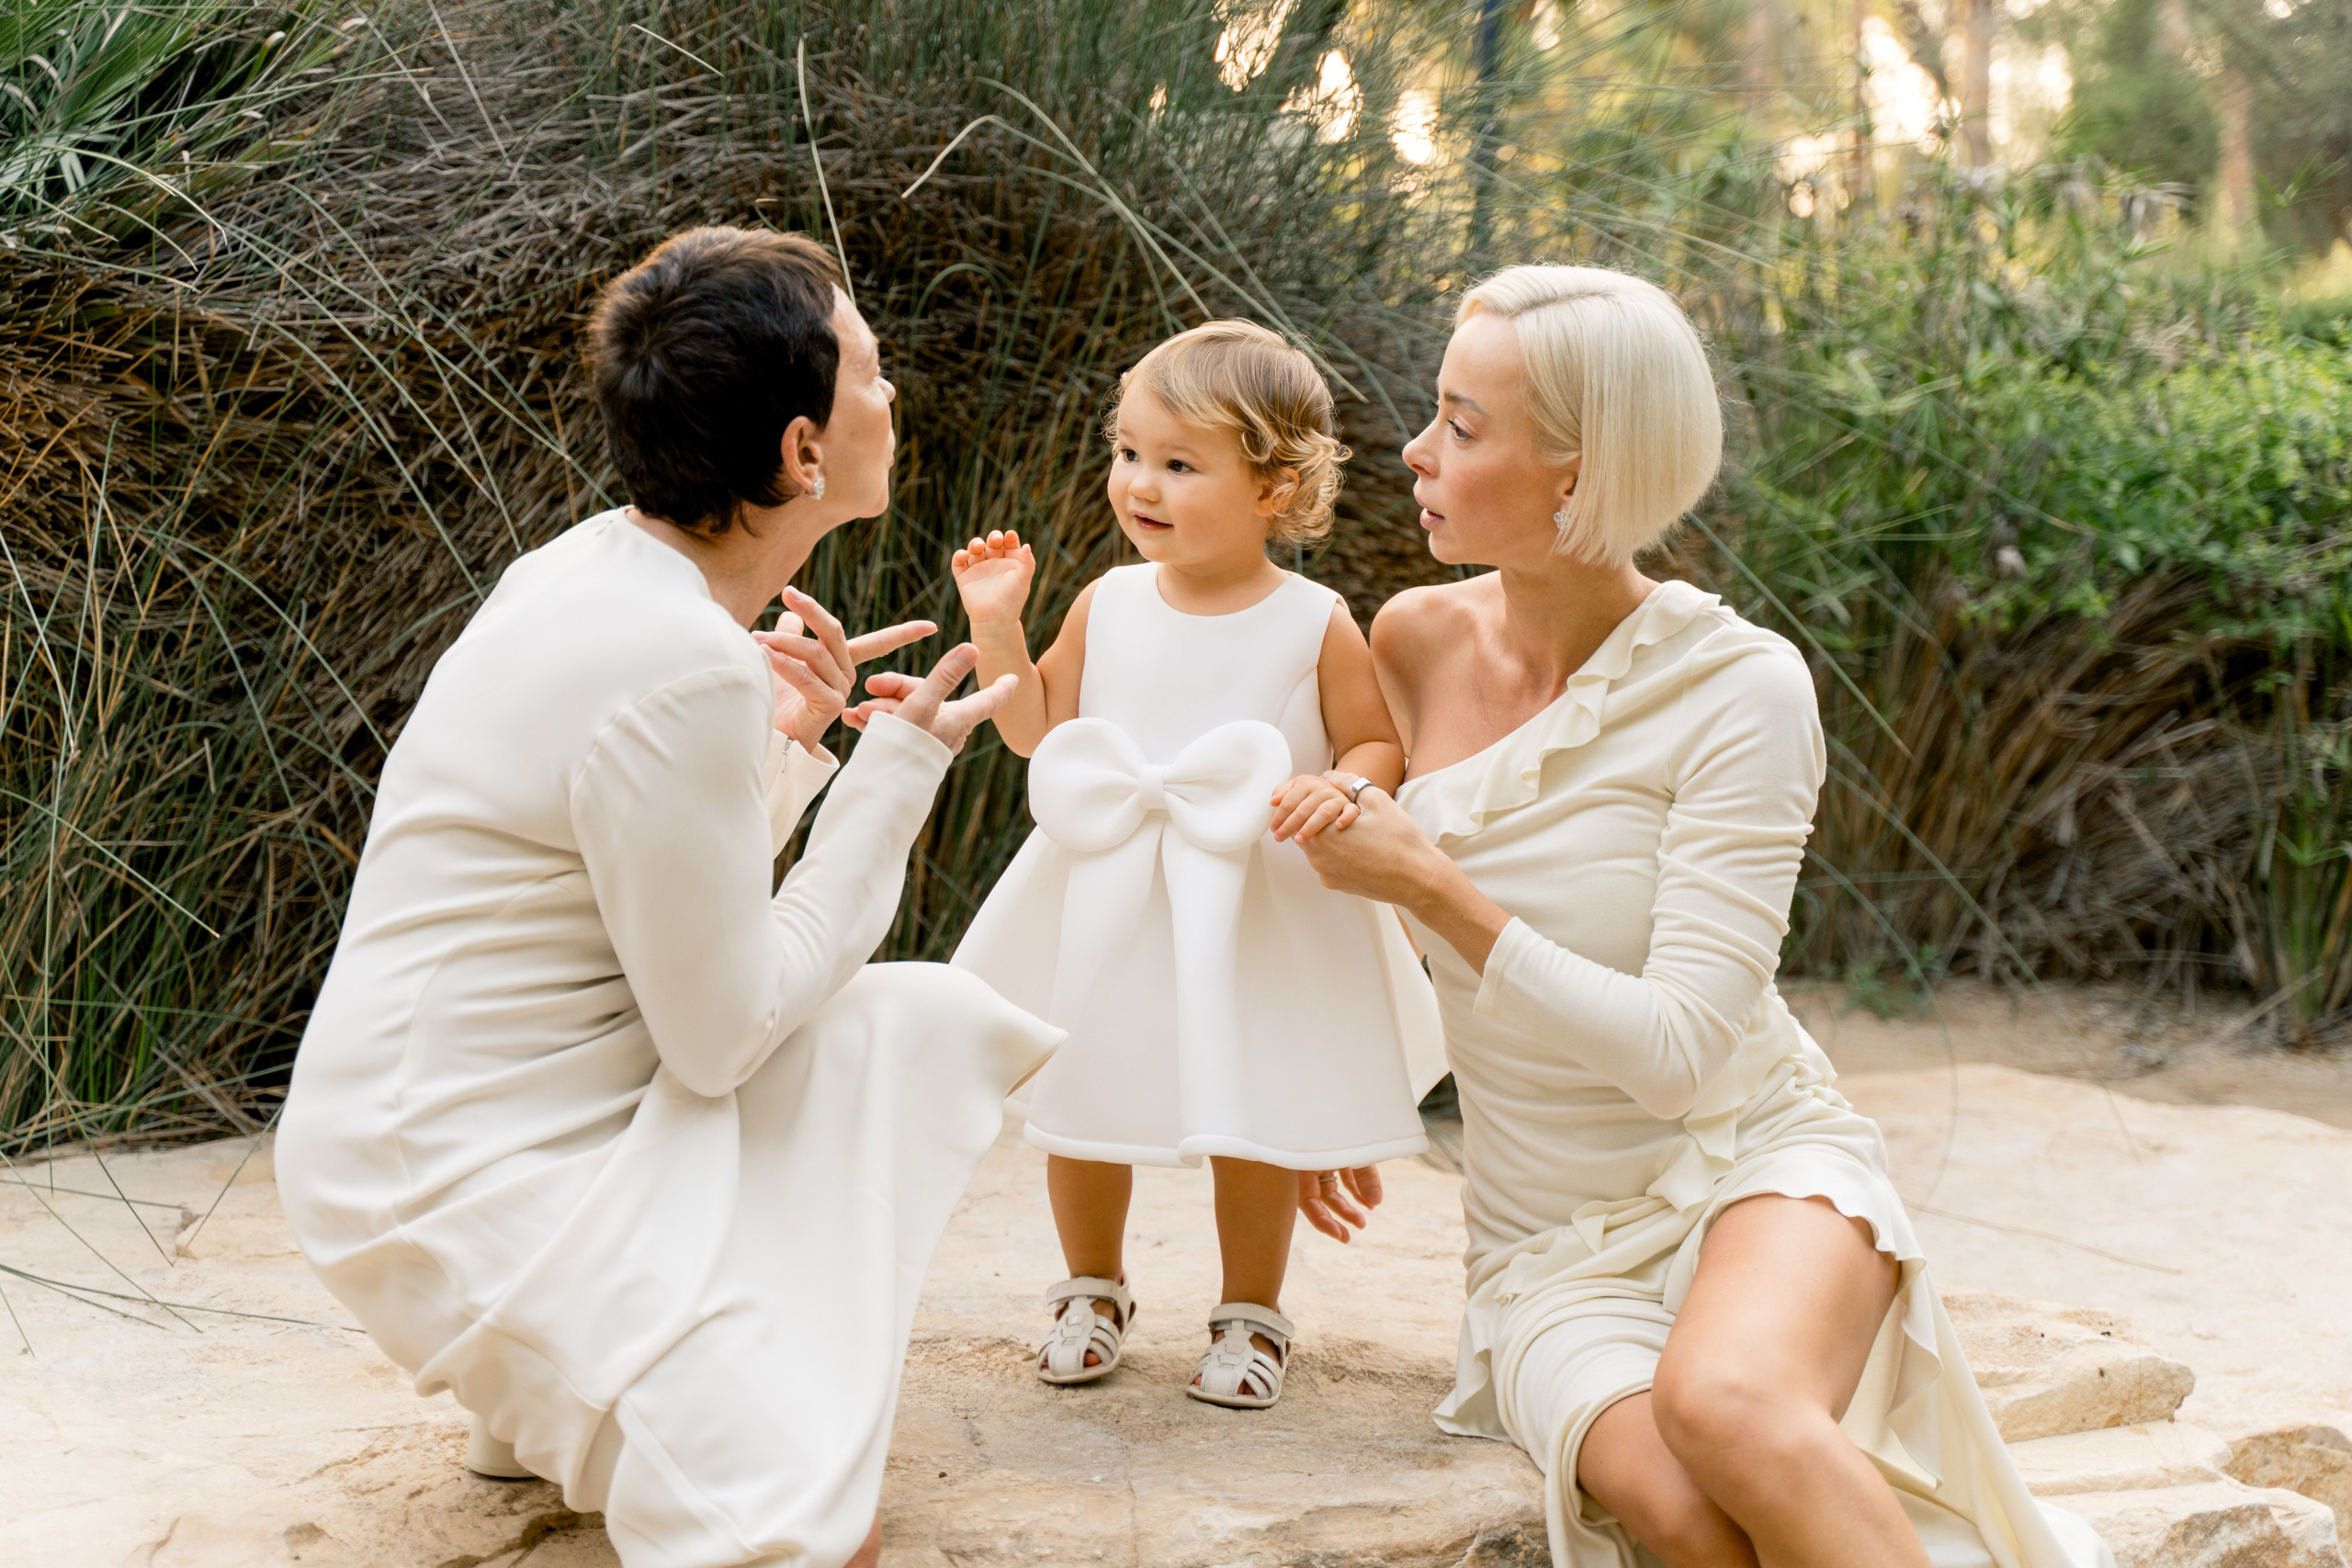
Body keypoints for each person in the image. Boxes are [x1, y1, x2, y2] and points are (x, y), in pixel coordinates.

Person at [1285, 265, 2112, 1568]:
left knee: (1728, 1406)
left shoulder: (1741, 690)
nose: (1415, 449)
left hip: (1752, 1162)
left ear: (1576, 474)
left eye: (1462, 424)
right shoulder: (1410, 642)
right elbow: (1342, 904)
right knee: (1676, 1510)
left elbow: (1678, 1054)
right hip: (1545, 1246)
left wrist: (1438, 885)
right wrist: (1325, 1098)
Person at [273, 227, 1061, 1568]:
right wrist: (896, 773)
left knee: (917, 1024)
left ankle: (554, 1390)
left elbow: (633, 898)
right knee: (809, 1535)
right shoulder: (677, 655)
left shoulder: (591, 568)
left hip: (462, 1117)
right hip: (460, 1171)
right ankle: (560, 1364)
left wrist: (787, 746)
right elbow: (723, 1033)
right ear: (804, 452)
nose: (891, 396)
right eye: (870, 373)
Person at [947, 320, 1445, 1409]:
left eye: (1179, 464)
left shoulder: (1313, 620)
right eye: (1129, 452)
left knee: (1247, 1108)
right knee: (1082, 1093)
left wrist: (1342, 786)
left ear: (1273, 487)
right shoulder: (1107, 600)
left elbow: (1373, 740)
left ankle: (1251, 1312)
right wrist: (998, 627)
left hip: (1248, 901)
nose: (1142, 483)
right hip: (1111, 893)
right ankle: (1090, 1288)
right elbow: (1036, 732)